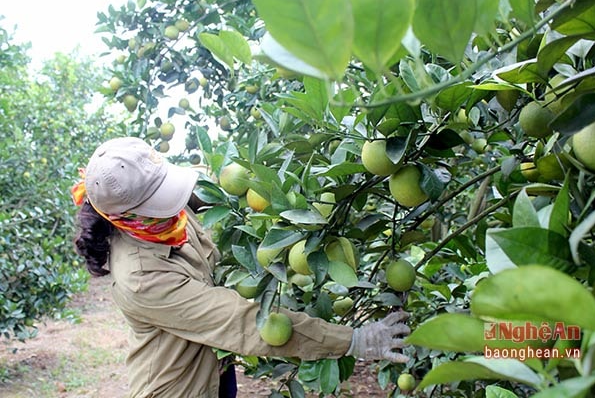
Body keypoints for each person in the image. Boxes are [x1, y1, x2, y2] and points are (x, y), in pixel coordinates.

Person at [72, 136, 411, 398]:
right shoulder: (142, 279)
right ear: (129, 215)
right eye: (163, 199)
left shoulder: (155, 219)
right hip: (179, 388)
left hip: (213, 369)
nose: (174, 203)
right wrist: (353, 340)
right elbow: (247, 323)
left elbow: (208, 186)